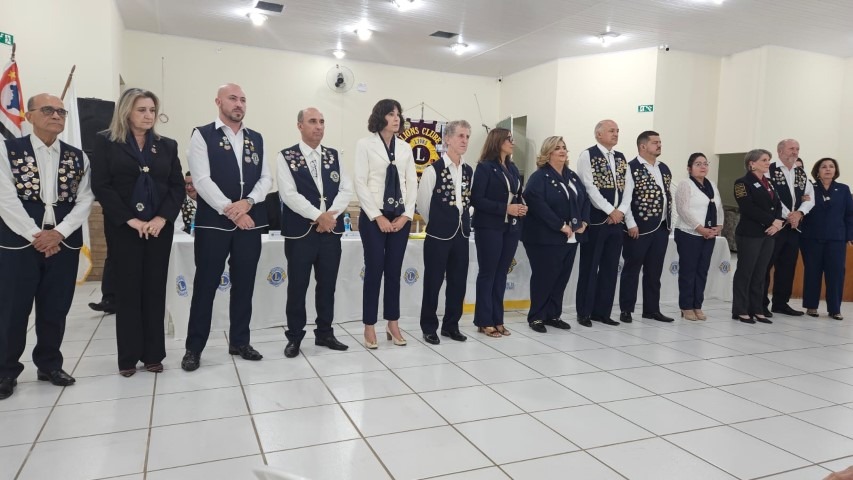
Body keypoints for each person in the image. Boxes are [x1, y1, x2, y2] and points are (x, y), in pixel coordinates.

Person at [0, 93, 94, 399]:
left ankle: (50, 364)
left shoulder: (78, 157)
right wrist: (35, 235)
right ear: (29, 116)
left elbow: (85, 199)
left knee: (56, 307)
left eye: (61, 112)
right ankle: (5, 370)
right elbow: (5, 198)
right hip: (19, 242)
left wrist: (59, 233)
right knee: (13, 308)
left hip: (63, 243)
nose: (56, 115)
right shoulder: (8, 150)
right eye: (48, 110)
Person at [90, 88, 184, 376]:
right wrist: (131, 220)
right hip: (124, 228)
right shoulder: (106, 142)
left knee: (154, 290)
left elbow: (176, 187)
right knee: (128, 291)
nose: (148, 115)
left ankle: (153, 354)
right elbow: (102, 185)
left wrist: (161, 219)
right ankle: (128, 357)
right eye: (141, 110)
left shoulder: (167, 146)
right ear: (126, 112)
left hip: (158, 229)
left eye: (152, 110)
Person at [182, 83, 271, 371]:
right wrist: (232, 211)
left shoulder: (256, 138)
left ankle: (240, 342)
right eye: (233, 98)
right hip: (214, 224)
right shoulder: (202, 134)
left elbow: (266, 179)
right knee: (205, 286)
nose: (239, 104)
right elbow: (201, 180)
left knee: (244, 285)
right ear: (218, 102)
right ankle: (194, 348)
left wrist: (248, 202)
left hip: (249, 223)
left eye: (243, 99)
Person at [277, 107, 352, 357]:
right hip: (300, 234)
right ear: (300, 125)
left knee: (327, 286)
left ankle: (325, 333)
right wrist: (318, 216)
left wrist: (330, 217)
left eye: (321, 121)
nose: (318, 126)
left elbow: (346, 189)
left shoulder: (334, 155)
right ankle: (294, 336)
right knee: (298, 287)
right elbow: (288, 194)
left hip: (330, 233)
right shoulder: (286, 156)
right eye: (312, 121)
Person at [354, 99, 417, 349]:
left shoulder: (405, 148)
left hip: (399, 216)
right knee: (374, 270)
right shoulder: (364, 144)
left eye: (398, 114)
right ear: (380, 117)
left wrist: (406, 216)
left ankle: (393, 323)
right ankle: (369, 325)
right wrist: (377, 216)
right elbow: (360, 182)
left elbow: (411, 183)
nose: (396, 118)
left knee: (393, 272)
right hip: (373, 217)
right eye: (391, 114)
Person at [522, 136, 589, 333]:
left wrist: (584, 222)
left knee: (561, 277)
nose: (562, 151)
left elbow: (584, 199)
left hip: (571, 237)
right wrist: (560, 225)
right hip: (544, 237)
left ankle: (553, 314)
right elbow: (537, 204)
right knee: (544, 277)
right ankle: (536, 317)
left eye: (564, 147)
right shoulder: (539, 177)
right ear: (548, 153)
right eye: (557, 148)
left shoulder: (572, 176)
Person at [416, 120, 473, 345]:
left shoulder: (468, 170)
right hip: (438, 235)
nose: (464, 141)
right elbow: (423, 204)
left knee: (458, 282)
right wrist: (439, 222)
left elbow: (469, 201)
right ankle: (429, 327)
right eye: (460, 136)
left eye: (467, 137)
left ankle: (451, 325)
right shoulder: (433, 170)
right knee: (433, 282)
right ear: (447, 139)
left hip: (462, 234)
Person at [470, 127, 527, 337]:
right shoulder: (484, 167)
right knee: (488, 273)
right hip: (489, 227)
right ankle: (484, 320)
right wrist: (505, 208)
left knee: (501, 273)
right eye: (509, 139)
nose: (513, 143)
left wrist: (521, 206)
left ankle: (497, 318)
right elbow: (477, 199)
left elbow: (516, 194)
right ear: (498, 141)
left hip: (511, 227)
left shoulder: (512, 168)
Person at [575, 120, 630, 327]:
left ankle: (602, 312)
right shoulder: (587, 155)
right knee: (590, 267)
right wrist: (610, 210)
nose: (616, 134)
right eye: (611, 131)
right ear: (598, 134)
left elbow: (628, 188)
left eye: (617, 131)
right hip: (597, 220)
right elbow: (588, 187)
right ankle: (584, 312)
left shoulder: (620, 157)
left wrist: (620, 211)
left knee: (610, 268)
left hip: (616, 221)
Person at [619, 131, 674, 323]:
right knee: (632, 269)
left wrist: (669, 223)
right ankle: (626, 309)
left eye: (660, 142)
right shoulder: (630, 168)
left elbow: (666, 195)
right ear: (643, 146)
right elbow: (626, 199)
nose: (659, 145)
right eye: (655, 142)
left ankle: (652, 309)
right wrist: (630, 223)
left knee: (654, 271)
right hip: (638, 227)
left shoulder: (663, 168)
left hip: (661, 226)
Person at [763, 139, 814, 317]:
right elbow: (771, 196)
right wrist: (789, 215)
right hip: (774, 226)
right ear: (780, 151)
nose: (795, 151)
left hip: (793, 228)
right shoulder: (769, 170)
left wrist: (800, 213)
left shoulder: (801, 173)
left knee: (787, 266)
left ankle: (780, 303)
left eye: (797, 149)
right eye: (791, 148)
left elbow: (810, 197)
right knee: (766, 265)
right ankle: (760, 303)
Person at [732, 149, 783, 324]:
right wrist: (771, 221)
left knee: (760, 273)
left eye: (768, 159)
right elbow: (748, 208)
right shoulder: (742, 183)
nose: (768, 163)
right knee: (745, 272)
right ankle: (740, 309)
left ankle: (757, 309)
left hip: (769, 234)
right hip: (750, 234)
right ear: (752, 164)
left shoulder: (770, 183)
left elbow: (777, 205)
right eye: (764, 160)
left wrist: (777, 223)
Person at [800, 157, 853, 320]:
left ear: (835, 171)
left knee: (836, 274)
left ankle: (835, 309)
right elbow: (801, 210)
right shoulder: (809, 188)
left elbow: (849, 215)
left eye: (831, 166)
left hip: (836, 238)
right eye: (824, 167)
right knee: (812, 272)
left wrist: (850, 235)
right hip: (811, 238)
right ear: (817, 171)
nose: (828, 169)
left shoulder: (843, 189)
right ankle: (811, 306)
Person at [674, 153, 723, 321]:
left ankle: (697, 305)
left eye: (705, 163)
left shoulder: (712, 185)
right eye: (698, 164)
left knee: (702, 270)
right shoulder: (685, 184)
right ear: (689, 168)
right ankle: (686, 306)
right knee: (688, 271)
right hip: (689, 233)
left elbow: (719, 208)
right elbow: (682, 209)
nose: (703, 167)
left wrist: (719, 226)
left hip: (709, 234)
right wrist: (700, 228)